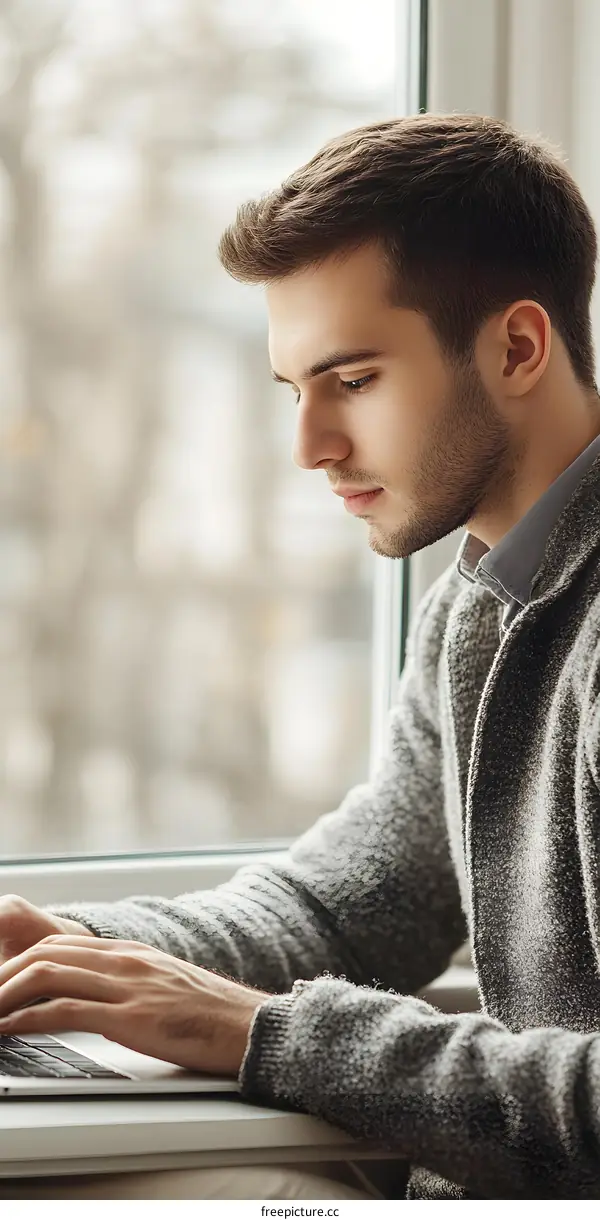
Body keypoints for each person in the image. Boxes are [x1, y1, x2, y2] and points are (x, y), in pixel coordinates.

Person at [1, 110, 600, 1201]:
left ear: (517, 347)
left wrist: (269, 1033)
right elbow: (343, 907)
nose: (311, 447)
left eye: (355, 379)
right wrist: (63, 944)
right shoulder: (481, 605)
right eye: (295, 389)